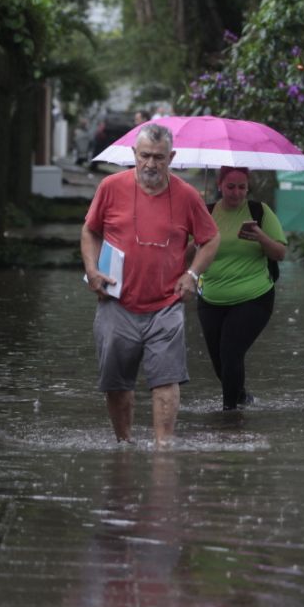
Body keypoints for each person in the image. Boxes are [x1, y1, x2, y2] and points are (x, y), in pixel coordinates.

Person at [81, 123, 220, 446]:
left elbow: (211, 239)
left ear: (171, 157)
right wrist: (92, 269)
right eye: (144, 156)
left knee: (166, 380)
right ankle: (124, 444)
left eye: (159, 157)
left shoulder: (187, 196)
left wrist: (193, 274)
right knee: (117, 384)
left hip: (166, 304)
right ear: (134, 154)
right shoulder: (110, 187)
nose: (151, 164)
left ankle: (163, 447)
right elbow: (90, 231)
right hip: (116, 301)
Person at [196, 166, 286, 410]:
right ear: (219, 185)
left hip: (254, 296)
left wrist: (261, 237)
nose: (236, 193)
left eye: (242, 187)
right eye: (230, 187)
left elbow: (280, 253)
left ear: (248, 187)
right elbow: (184, 256)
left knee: (230, 352)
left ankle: (229, 415)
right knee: (219, 362)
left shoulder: (260, 211)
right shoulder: (205, 213)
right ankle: (242, 398)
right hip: (211, 297)